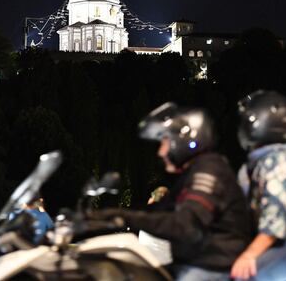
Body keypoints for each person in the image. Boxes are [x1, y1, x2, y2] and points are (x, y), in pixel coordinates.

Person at [90, 102, 251, 280]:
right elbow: (158, 210)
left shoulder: (209, 170)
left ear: (183, 140)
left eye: (164, 141)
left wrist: (124, 217)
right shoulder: (193, 172)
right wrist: (103, 215)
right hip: (194, 262)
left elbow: (186, 226)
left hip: (213, 267)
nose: (161, 152)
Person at [230, 90, 286, 280]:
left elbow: (276, 221)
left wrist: (249, 255)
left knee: (242, 278)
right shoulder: (263, 161)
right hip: (284, 242)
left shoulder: (277, 161)